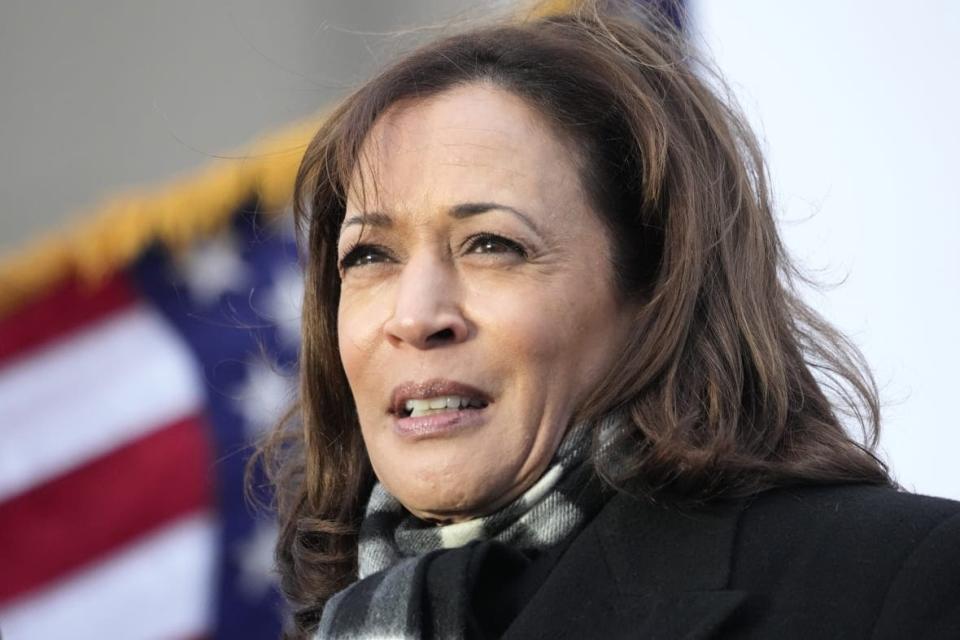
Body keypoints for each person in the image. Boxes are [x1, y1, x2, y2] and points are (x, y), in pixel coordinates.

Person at [255, 2, 960, 638]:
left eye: (493, 246)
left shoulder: (906, 583)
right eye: (372, 255)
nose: (415, 316)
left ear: (656, 288)